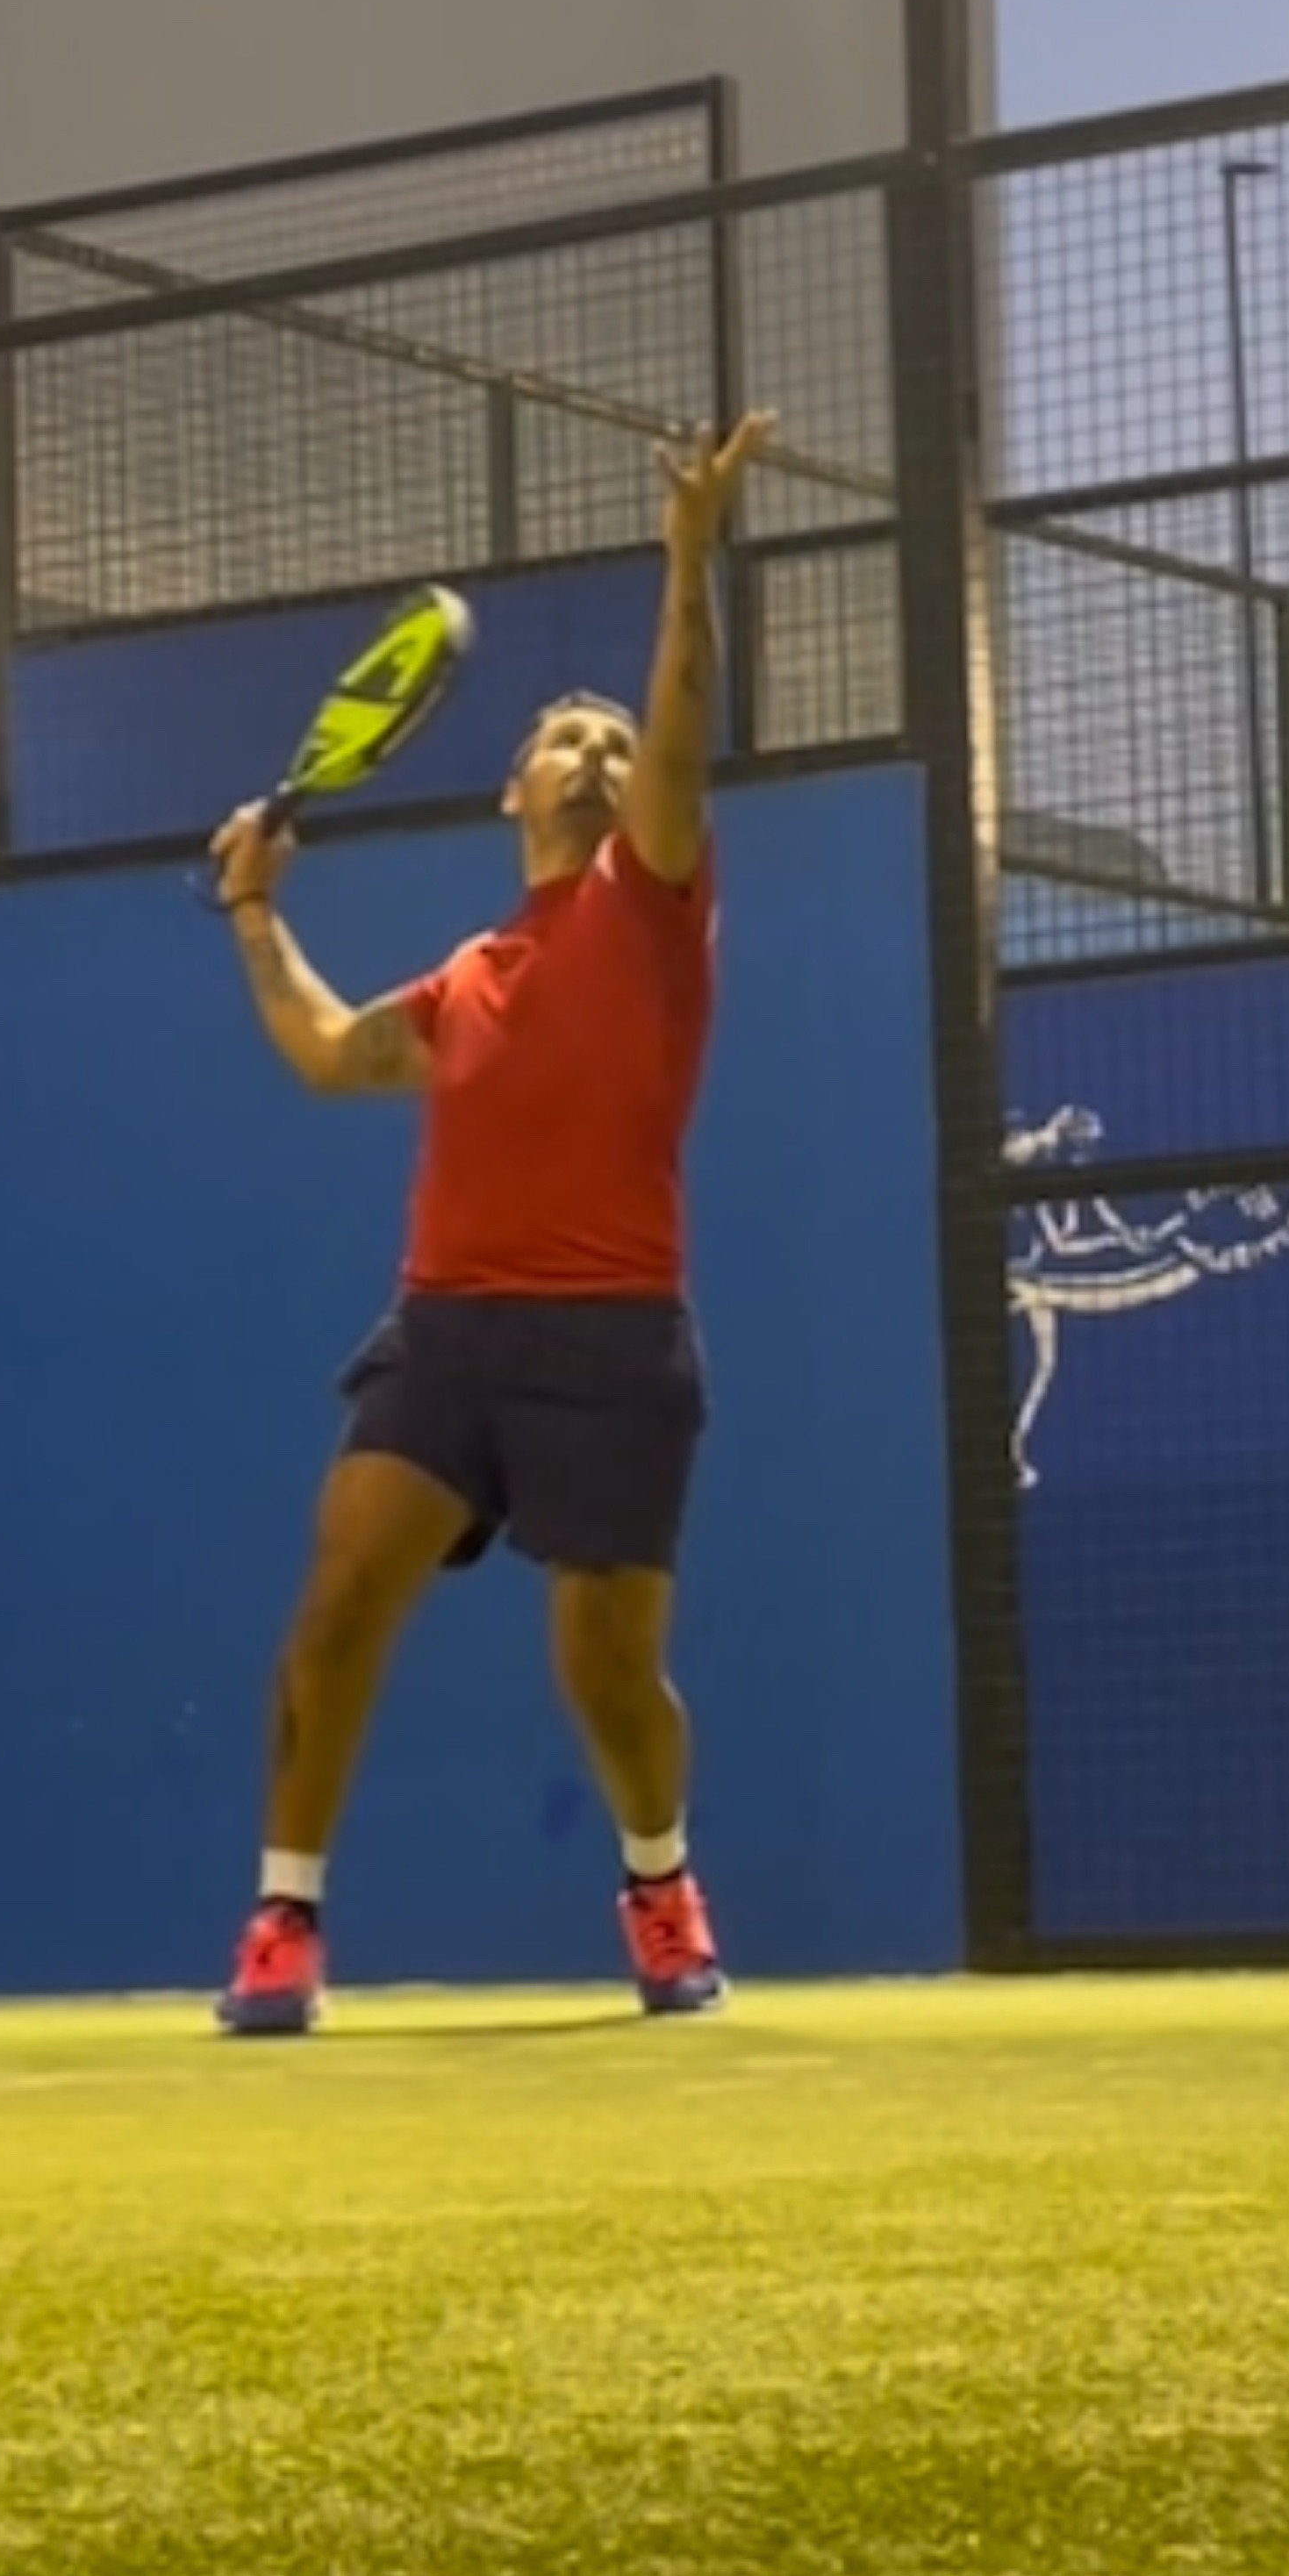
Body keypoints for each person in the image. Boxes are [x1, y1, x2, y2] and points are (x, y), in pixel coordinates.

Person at [210, 413, 772, 2035]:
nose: (596, 754)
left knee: (604, 1662)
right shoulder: (471, 976)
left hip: (615, 1339)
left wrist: (688, 557)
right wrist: (252, 908)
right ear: (514, 787)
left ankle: (660, 1881)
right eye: (564, 739)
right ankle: (283, 1923)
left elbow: (684, 728)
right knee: (339, 1600)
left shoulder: (652, 902)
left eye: (612, 743)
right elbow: (332, 1054)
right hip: (449, 1327)